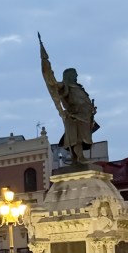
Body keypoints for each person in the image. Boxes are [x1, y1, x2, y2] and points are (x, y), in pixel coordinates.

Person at [39, 34, 99, 165]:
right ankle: (78, 157)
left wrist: (90, 109)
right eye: (75, 74)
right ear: (69, 75)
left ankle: (78, 158)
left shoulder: (78, 87)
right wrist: (46, 65)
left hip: (85, 117)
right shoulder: (65, 86)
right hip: (74, 116)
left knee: (83, 138)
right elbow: (53, 83)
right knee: (75, 138)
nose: (77, 76)